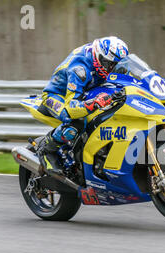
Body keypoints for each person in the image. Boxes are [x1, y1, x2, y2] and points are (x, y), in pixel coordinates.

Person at [38, 36, 129, 173]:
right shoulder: (79, 70)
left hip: (86, 88)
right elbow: (71, 107)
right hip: (57, 96)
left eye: (115, 65)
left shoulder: (103, 58)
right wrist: (94, 103)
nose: (111, 68)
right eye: (109, 64)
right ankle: (46, 149)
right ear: (99, 57)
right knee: (75, 124)